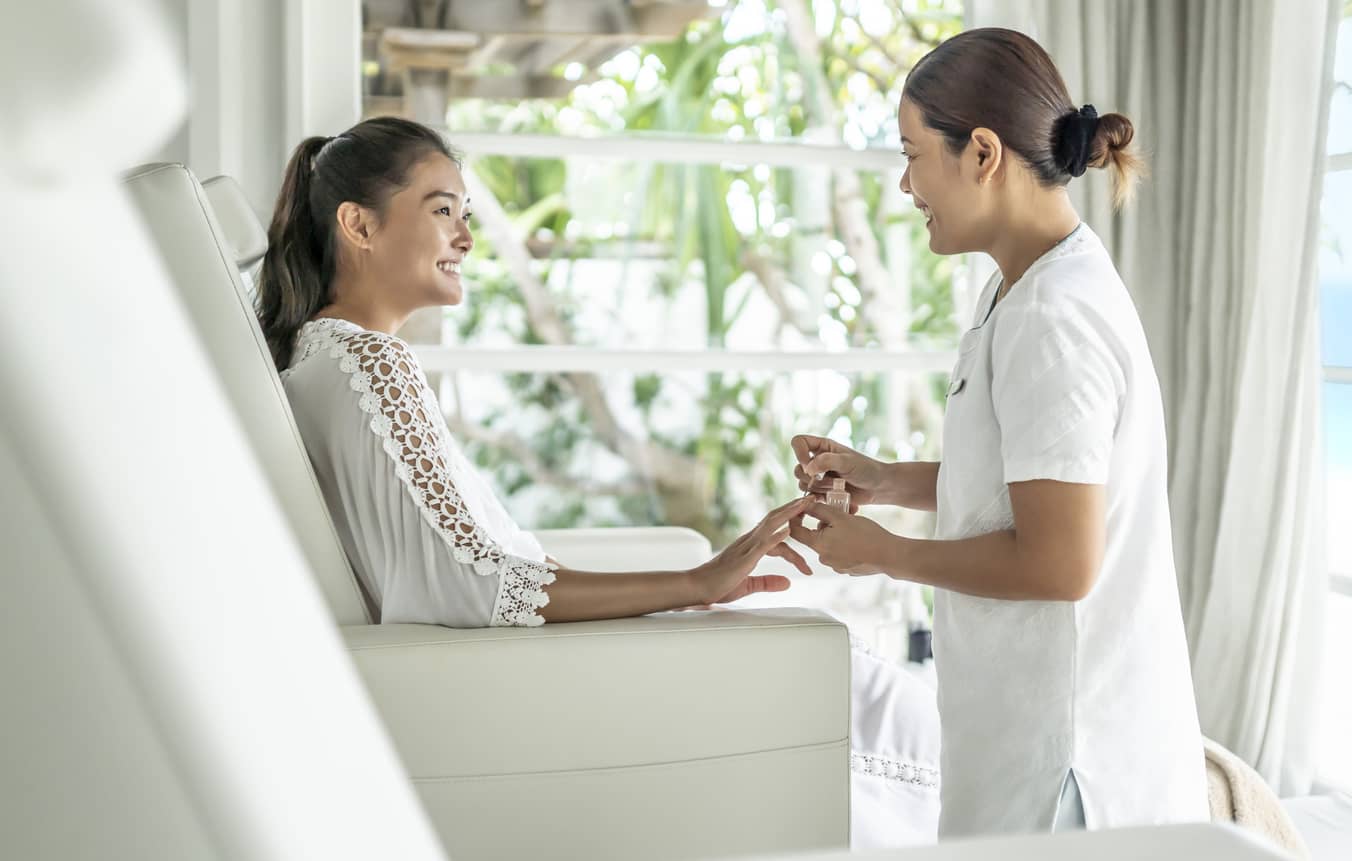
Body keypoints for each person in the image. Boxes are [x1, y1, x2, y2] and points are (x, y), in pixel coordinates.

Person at [256, 116, 939, 848]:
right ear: (359, 225)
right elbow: (478, 584)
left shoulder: (322, 359)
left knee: (858, 684)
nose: (465, 237)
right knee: (859, 688)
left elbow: (469, 571)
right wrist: (695, 581)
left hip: (517, 671)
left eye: (467, 215)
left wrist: (695, 584)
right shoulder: (374, 368)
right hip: (517, 689)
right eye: (442, 209)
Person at [788, 28, 1207, 839]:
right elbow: (1020, 489)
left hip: (1070, 775)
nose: (906, 184)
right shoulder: (1019, 292)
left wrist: (880, 550)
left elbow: (1060, 558)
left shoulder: (1053, 317)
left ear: (981, 152)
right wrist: (884, 478)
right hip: (1028, 745)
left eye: (912, 154)